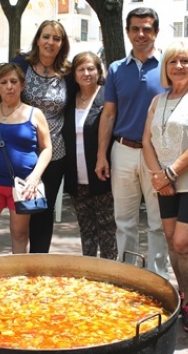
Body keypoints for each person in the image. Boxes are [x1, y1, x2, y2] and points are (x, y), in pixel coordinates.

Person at [141, 42, 188, 333]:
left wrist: (169, 174)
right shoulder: (157, 100)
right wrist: (158, 176)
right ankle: (182, 297)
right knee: (171, 240)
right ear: (165, 67)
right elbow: (146, 141)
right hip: (163, 180)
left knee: (184, 242)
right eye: (173, 61)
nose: (179, 66)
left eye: (185, 61)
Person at [95, 7, 169, 278]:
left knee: (158, 222)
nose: (141, 34)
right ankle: (127, 278)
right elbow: (109, 114)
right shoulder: (116, 69)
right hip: (123, 150)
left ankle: (158, 278)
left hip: (158, 155)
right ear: (127, 32)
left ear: (156, 32)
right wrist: (101, 155)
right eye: (135, 28)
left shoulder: (168, 66)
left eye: (147, 28)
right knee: (124, 221)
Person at [0, 63, 52, 257]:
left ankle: (19, 275)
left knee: (20, 233)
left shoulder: (34, 114)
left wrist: (35, 177)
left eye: (14, 82)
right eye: (4, 82)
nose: (9, 86)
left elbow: (47, 148)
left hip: (23, 184)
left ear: (22, 85)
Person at [10, 20, 72, 254]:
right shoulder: (21, 65)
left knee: (44, 211)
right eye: (46, 36)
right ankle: (19, 263)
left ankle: (38, 263)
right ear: (38, 39)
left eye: (56, 38)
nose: (50, 42)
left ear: (62, 44)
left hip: (55, 154)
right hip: (23, 152)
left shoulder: (67, 73)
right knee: (22, 210)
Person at [62, 52, 116, 259]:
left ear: (98, 71)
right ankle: (89, 271)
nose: (86, 73)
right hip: (76, 176)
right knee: (86, 230)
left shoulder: (107, 97)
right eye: (81, 69)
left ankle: (110, 271)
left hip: (102, 174)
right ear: (74, 74)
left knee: (107, 229)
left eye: (91, 68)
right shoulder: (68, 99)